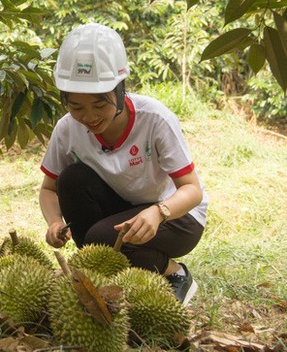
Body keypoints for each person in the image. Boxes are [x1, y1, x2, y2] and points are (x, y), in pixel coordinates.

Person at [39, 23, 207, 305]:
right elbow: (49, 189)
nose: (89, 117)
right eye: (76, 107)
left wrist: (158, 213)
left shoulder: (154, 119)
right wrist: (54, 221)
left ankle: (174, 272)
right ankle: (108, 270)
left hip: (178, 215)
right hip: (125, 207)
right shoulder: (67, 129)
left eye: (99, 104)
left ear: (119, 91)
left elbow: (192, 190)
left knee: (102, 238)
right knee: (71, 179)